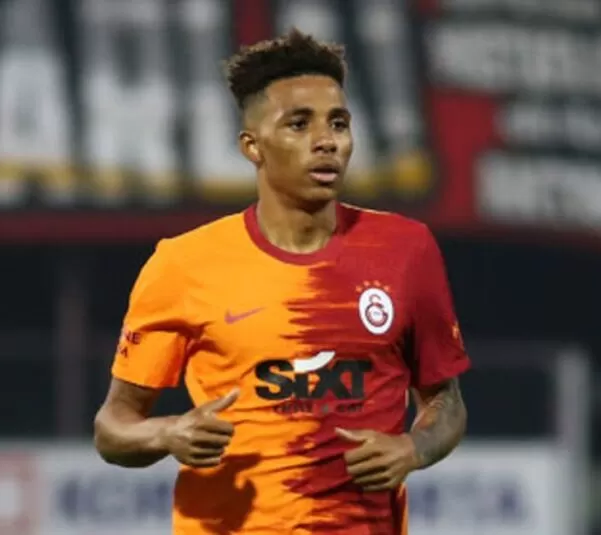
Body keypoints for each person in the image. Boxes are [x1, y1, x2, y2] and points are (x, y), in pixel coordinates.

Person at [92, 29, 470, 535]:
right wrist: (168, 433)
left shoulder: (407, 249)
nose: (327, 141)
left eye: (339, 123)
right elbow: (113, 427)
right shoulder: (183, 264)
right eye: (299, 123)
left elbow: (445, 401)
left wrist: (412, 449)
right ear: (252, 146)